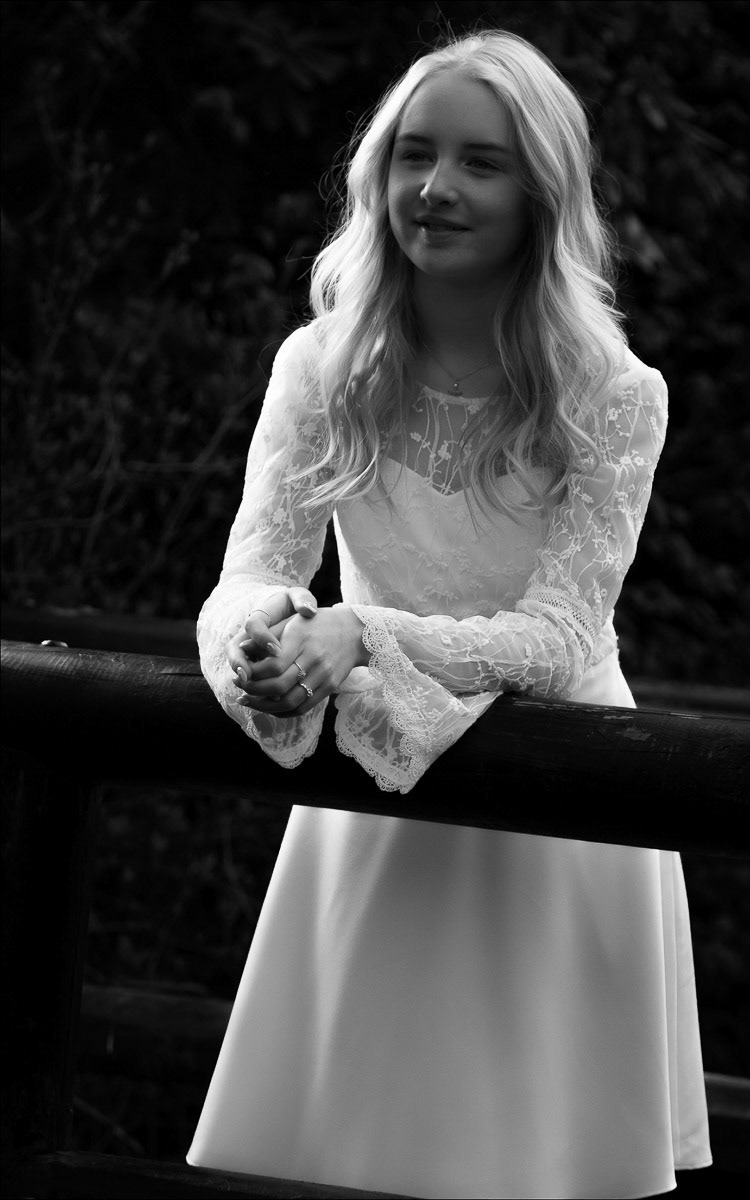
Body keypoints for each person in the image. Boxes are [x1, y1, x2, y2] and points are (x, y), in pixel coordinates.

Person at [187, 29, 711, 1199]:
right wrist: (263, 641)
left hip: (561, 809)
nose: (434, 186)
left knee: (531, 1161)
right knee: (340, 1159)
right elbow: (251, 571)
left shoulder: (612, 396)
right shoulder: (321, 367)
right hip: (375, 798)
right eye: (413, 154)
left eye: (480, 162)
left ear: (540, 192)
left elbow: (559, 639)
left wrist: (361, 633)